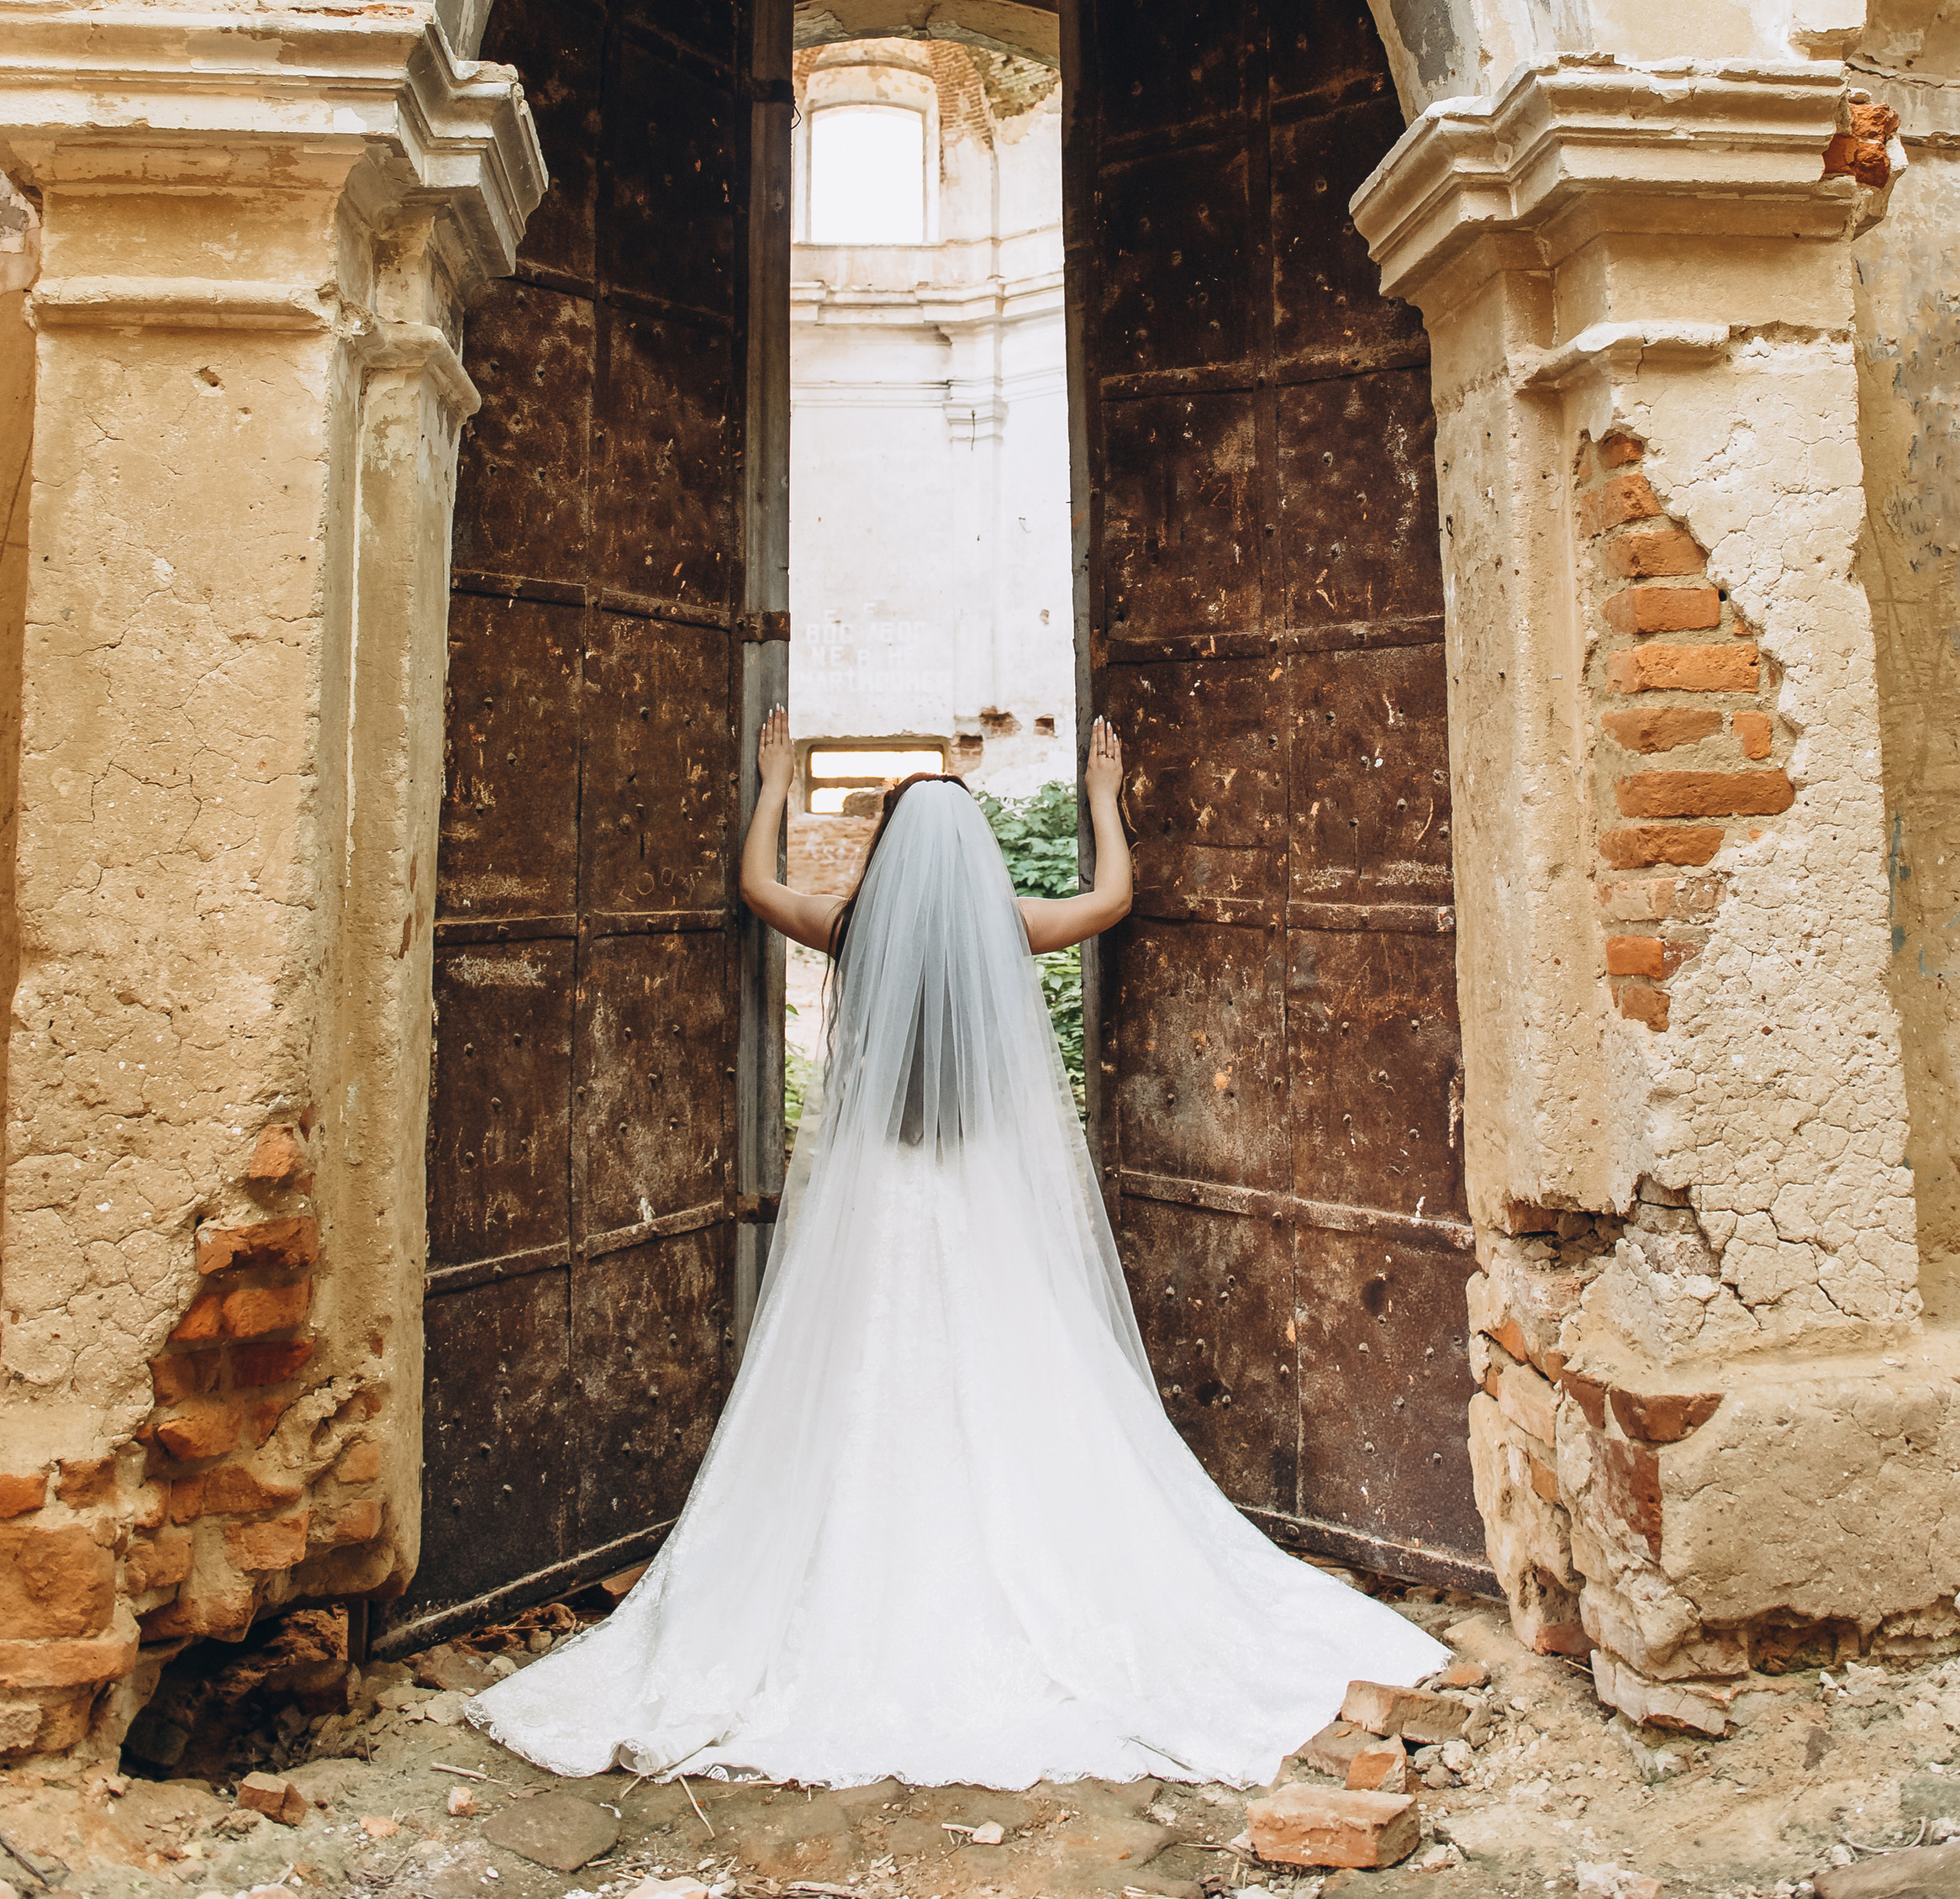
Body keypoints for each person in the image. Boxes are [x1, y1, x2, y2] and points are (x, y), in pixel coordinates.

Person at [471, 713, 1445, 1787]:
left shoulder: (850, 927)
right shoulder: (1009, 925)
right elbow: (1112, 902)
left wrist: (776, 784)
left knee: (860, 1372)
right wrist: (1102, 799)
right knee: (1013, 1368)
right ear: (977, 852)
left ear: (887, 850)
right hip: (986, 1197)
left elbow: (755, 887)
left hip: (875, 1199)